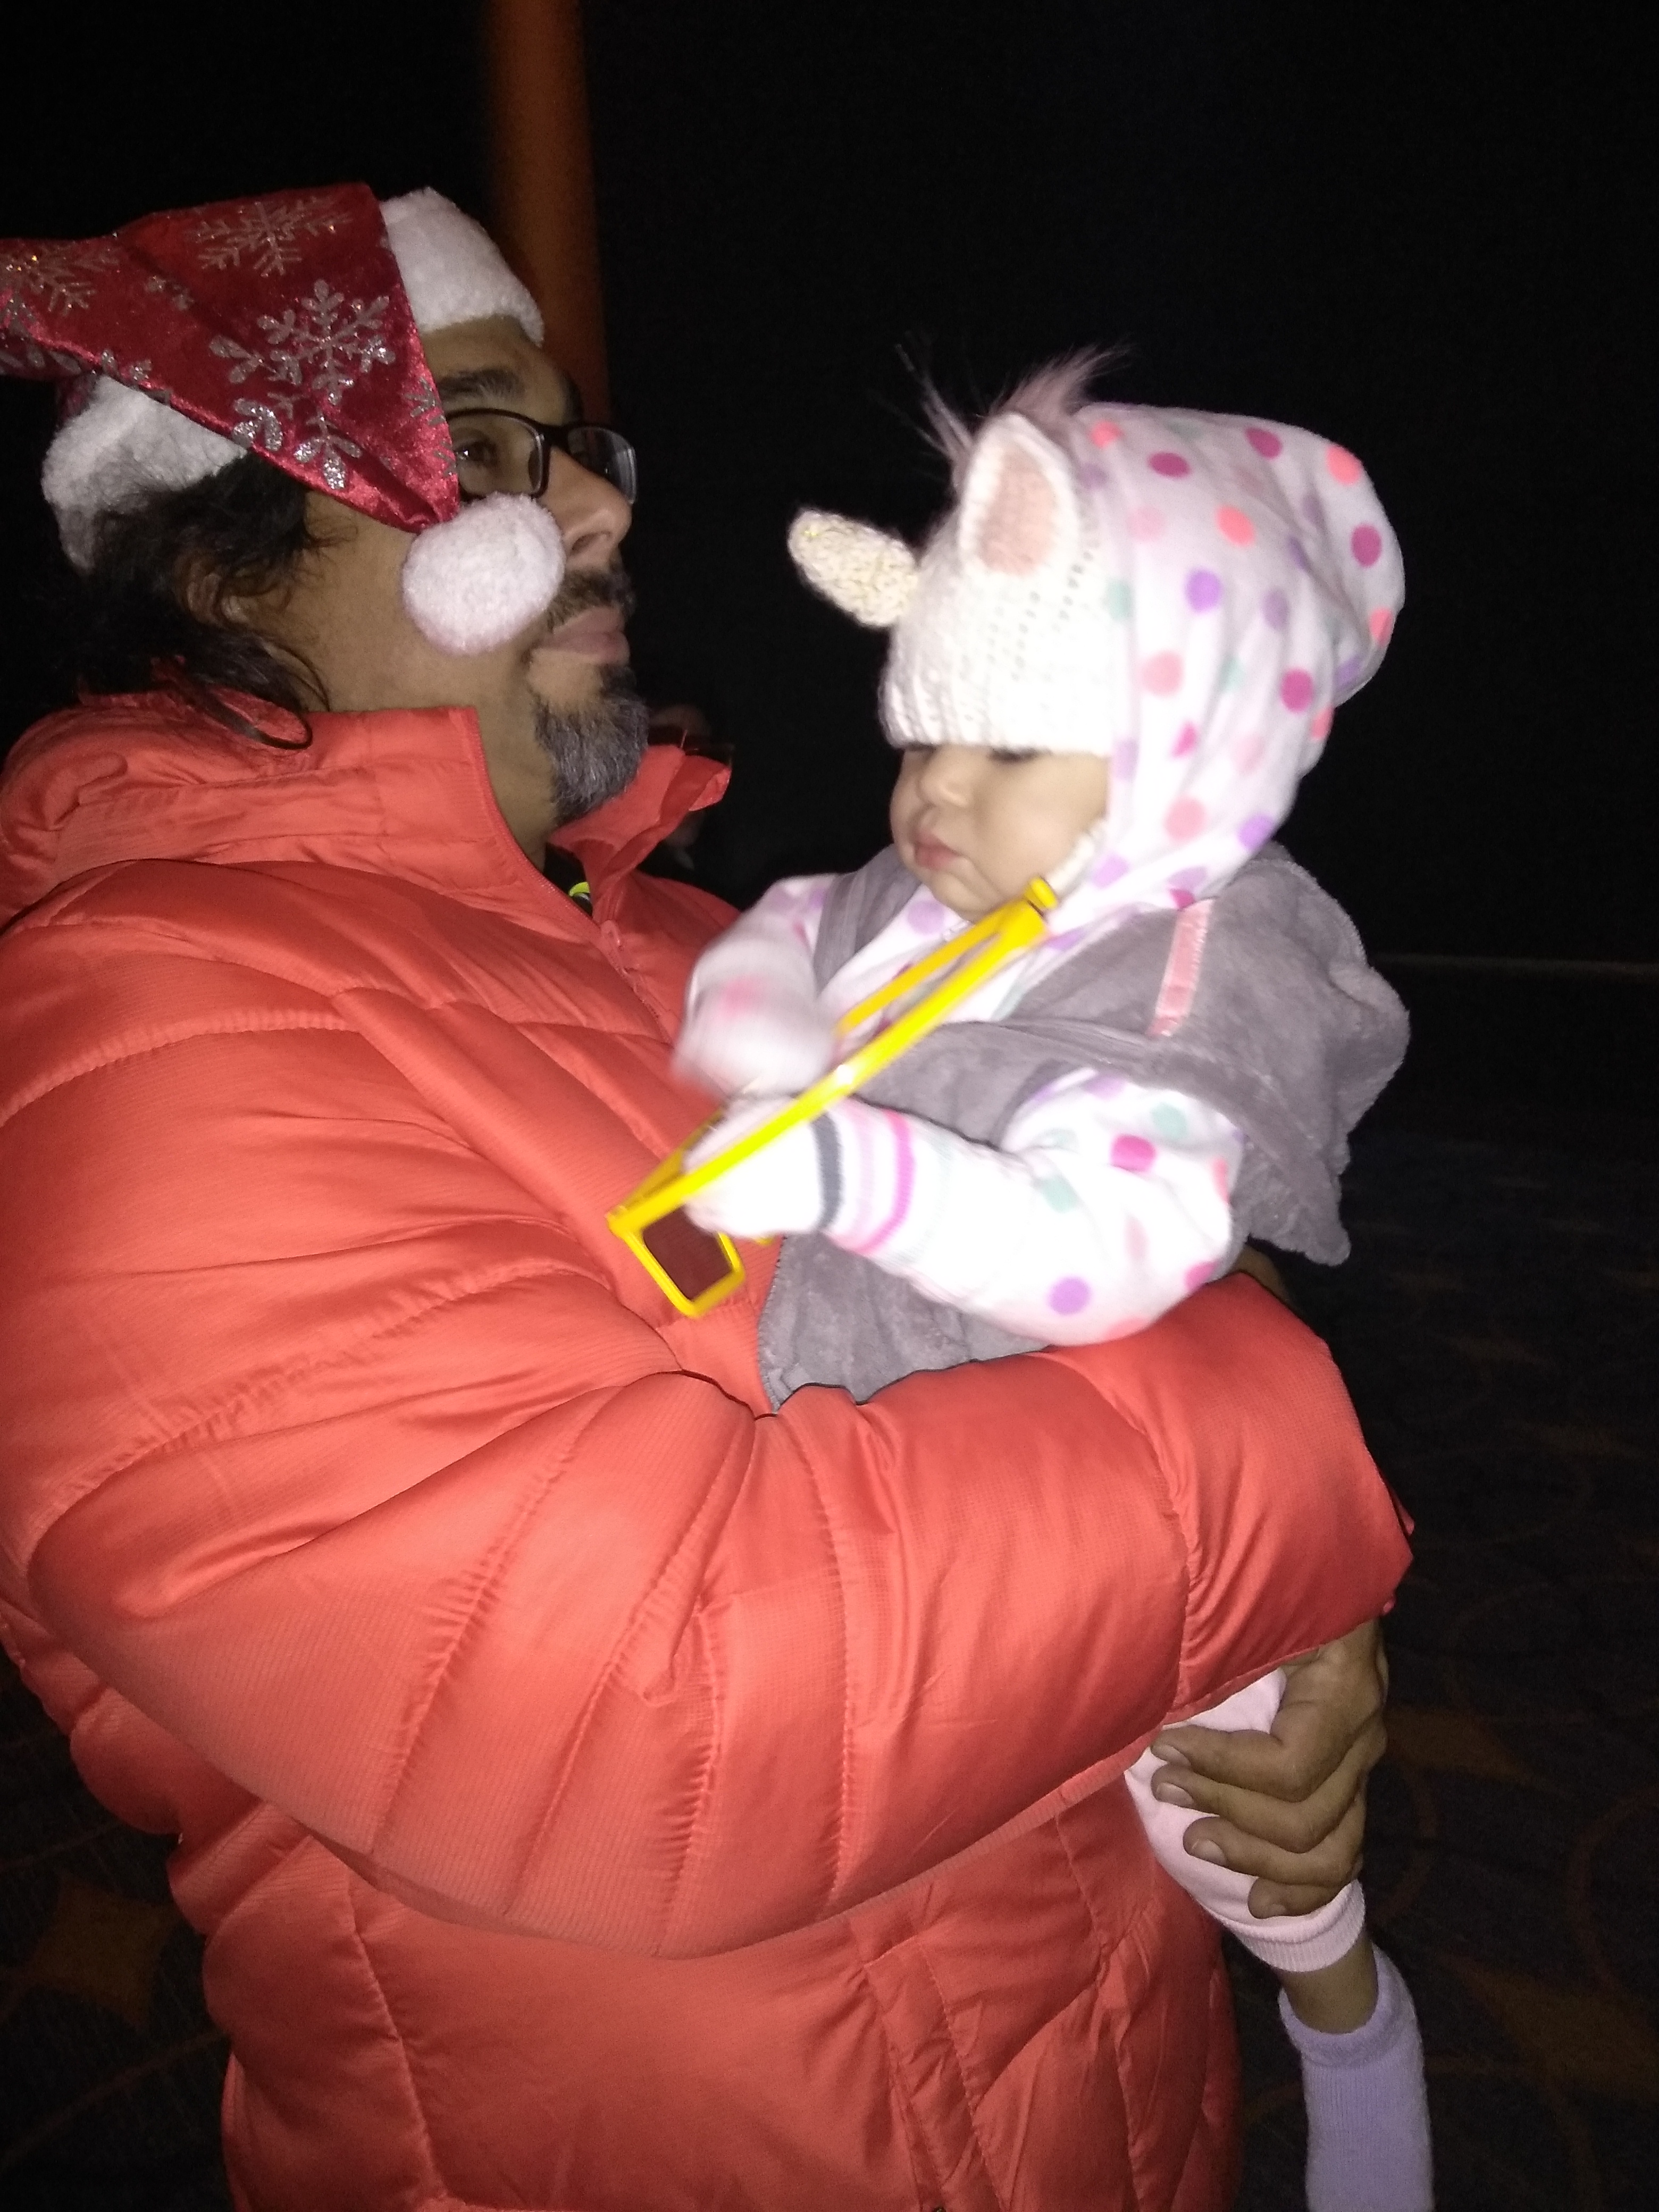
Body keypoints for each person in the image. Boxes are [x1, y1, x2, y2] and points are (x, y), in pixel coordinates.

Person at [0, 187, 1410, 2210]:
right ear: (220, 560)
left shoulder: (682, 942)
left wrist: (1285, 1645)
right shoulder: (128, 1043)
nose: (597, 505)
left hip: (1095, 2093)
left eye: (582, 443)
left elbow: (1101, 1250)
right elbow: (655, 1731)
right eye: (482, 446)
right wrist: (1287, 1476)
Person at [676, 369, 1431, 2211]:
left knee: (1231, 1825)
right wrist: (759, 1021)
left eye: (1006, 749)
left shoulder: (1184, 974)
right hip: (929, 1459)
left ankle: (1350, 2015)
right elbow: (787, 926)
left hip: (1129, 1488)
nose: (936, 792)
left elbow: (1113, 1246)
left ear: (1186, 754)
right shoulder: (934, 886)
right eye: (923, 735)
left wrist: (842, 1170)